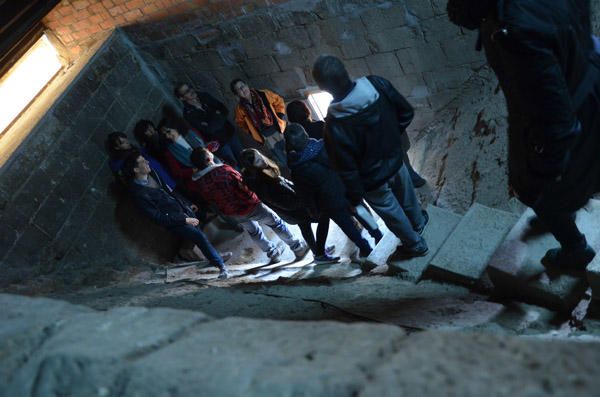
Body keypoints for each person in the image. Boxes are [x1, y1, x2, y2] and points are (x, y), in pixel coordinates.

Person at [447, 0, 600, 269]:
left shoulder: (516, 33)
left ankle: (575, 248)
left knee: (535, 190)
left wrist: (545, 179)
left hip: (572, 106)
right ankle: (561, 208)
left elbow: (557, 122)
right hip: (587, 70)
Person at [312, 55, 429, 259]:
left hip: (372, 180)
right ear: (345, 71)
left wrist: (355, 196)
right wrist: (392, 140)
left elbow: (346, 167)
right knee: (408, 195)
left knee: (392, 213)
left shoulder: (334, 124)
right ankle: (419, 223)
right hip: (395, 160)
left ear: (324, 88)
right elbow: (406, 113)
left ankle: (415, 244)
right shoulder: (377, 84)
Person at [186, 147, 309, 263]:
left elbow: (209, 200)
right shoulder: (224, 170)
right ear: (208, 159)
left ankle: (273, 254)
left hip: (233, 212)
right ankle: (298, 248)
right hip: (250, 205)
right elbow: (243, 185)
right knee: (276, 223)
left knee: (255, 233)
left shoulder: (199, 182)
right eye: (208, 152)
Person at [123, 153, 232, 279]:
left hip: (182, 210)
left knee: (199, 234)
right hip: (173, 221)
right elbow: (158, 217)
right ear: (136, 169)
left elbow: (169, 191)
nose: (147, 162)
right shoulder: (139, 193)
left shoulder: (153, 174)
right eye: (142, 161)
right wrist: (184, 219)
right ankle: (220, 266)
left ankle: (213, 257)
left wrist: (186, 204)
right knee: (198, 236)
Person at [285, 123, 383, 260]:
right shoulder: (326, 146)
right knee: (361, 211)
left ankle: (365, 247)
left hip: (329, 201)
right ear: (306, 135)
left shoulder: (297, 169)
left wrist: (313, 209)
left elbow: (305, 194)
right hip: (347, 187)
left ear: (291, 146)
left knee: (347, 225)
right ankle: (378, 234)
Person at [240, 148, 340, 264]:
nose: (262, 160)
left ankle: (317, 252)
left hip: (293, 208)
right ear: (252, 166)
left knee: (305, 227)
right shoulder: (261, 182)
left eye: (260, 157)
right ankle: (320, 254)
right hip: (294, 209)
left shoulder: (258, 174)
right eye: (258, 160)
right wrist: (304, 201)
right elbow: (285, 202)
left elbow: (282, 186)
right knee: (323, 218)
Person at [174, 83, 243, 168]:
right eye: (187, 91)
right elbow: (208, 130)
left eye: (190, 87)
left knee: (244, 157)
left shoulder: (204, 96)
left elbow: (224, 110)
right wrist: (217, 114)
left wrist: (211, 122)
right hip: (219, 143)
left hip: (229, 133)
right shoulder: (188, 114)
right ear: (182, 98)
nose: (191, 90)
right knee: (235, 166)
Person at [230, 78, 288, 168]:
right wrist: (250, 131)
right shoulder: (240, 109)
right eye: (239, 90)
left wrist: (279, 115)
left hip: (279, 128)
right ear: (237, 94)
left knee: (291, 148)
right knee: (281, 158)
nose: (242, 90)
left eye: (242, 86)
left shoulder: (264, 94)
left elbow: (279, 101)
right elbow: (240, 123)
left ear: (247, 85)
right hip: (265, 136)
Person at [158, 117, 220, 183]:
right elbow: (177, 171)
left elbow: (204, 145)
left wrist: (212, 146)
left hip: (215, 163)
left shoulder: (190, 132)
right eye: (164, 135)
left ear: (175, 127)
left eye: (168, 131)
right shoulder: (170, 151)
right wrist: (193, 170)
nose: (167, 136)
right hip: (202, 177)